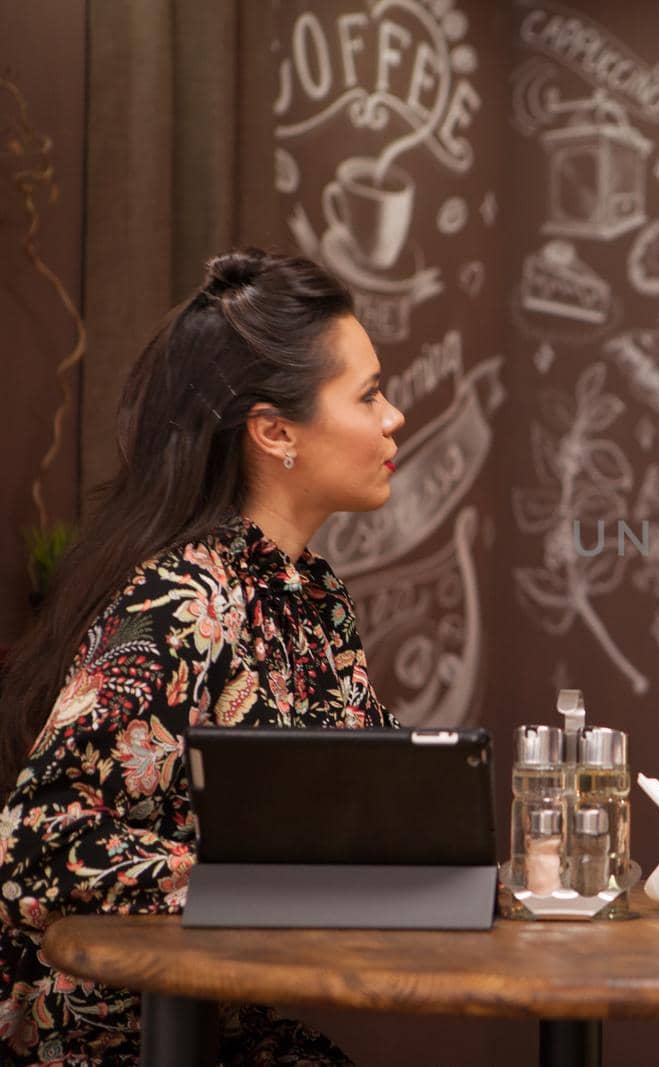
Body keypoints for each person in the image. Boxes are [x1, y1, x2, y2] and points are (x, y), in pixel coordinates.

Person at [0, 249, 406, 1065]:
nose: (394, 416)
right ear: (275, 430)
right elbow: (32, 840)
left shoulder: (313, 597)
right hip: (112, 1041)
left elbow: (374, 810)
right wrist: (259, 885)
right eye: (368, 394)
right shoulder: (183, 602)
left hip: (219, 1022)